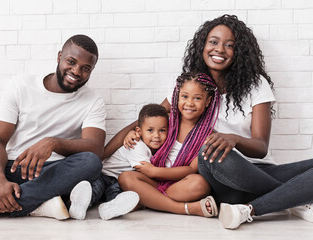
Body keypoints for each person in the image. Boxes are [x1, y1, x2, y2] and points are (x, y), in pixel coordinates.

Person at [0, 34, 106, 222]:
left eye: (85, 68)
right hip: (11, 167)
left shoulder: (93, 101)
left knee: (91, 163)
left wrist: (52, 143)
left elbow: (95, 148)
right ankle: (36, 203)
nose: (76, 71)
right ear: (59, 57)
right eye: (71, 62)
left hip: (53, 173)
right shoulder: (20, 86)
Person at [179, 14, 313, 229]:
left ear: (239, 51)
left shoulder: (256, 85)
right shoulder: (190, 85)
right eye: (213, 42)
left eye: (229, 45)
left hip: (261, 171)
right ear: (202, 45)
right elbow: (154, 116)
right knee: (209, 151)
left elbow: (260, 147)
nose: (220, 49)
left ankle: (250, 209)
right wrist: (124, 140)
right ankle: (292, 197)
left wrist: (234, 139)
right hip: (222, 178)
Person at [118, 72, 221, 217]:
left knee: (200, 184)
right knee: (126, 177)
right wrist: (134, 134)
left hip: (178, 184)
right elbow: (147, 129)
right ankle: (186, 208)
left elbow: (191, 169)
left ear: (208, 101)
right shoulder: (167, 120)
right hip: (153, 182)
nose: (189, 103)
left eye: (197, 98)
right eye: (184, 96)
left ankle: (148, 199)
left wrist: (155, 172)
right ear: (177, 96)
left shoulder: (208, 136)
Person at [89, 103, 169, 220]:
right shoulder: (136, 145)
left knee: (118, 197)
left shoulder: (156, 148)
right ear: (139, 131)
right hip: (104, 176)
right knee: (95, 190)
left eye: (162, 130)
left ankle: (110, 208)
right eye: (150, 130)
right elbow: (147, 172)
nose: (156, 135)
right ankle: (78, 204)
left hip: (118, 181)